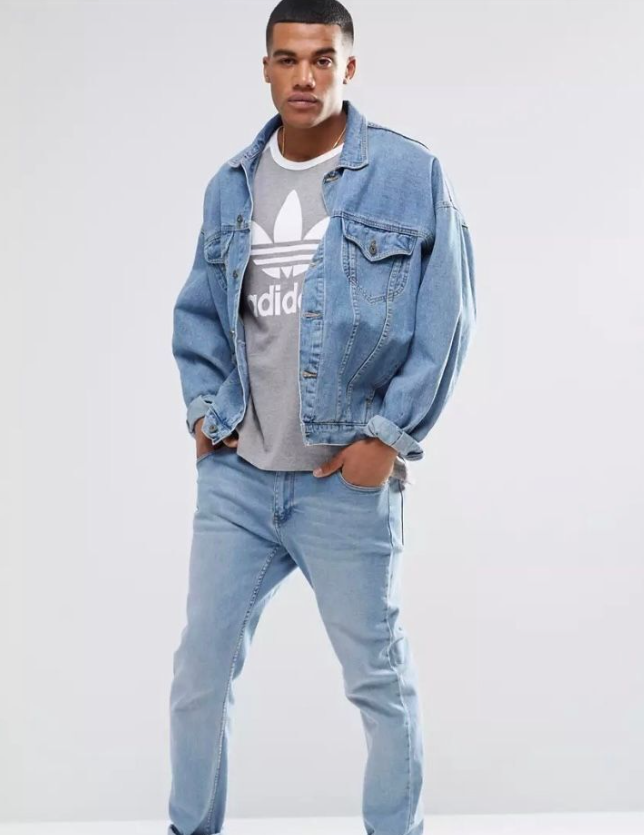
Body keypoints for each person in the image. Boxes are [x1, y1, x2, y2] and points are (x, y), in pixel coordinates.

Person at [167, 1, 476, 833]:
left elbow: (448, 317)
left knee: (377, 678)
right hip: (238, 479)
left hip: (343, 480)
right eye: (287, 59)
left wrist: (387, 436)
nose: (303, 76)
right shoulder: (230, 184)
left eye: (321, 59)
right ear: (266, 69)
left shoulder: (409, 173)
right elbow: (200, 314)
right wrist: (205, 414)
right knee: (199, 674)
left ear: (348, 67)